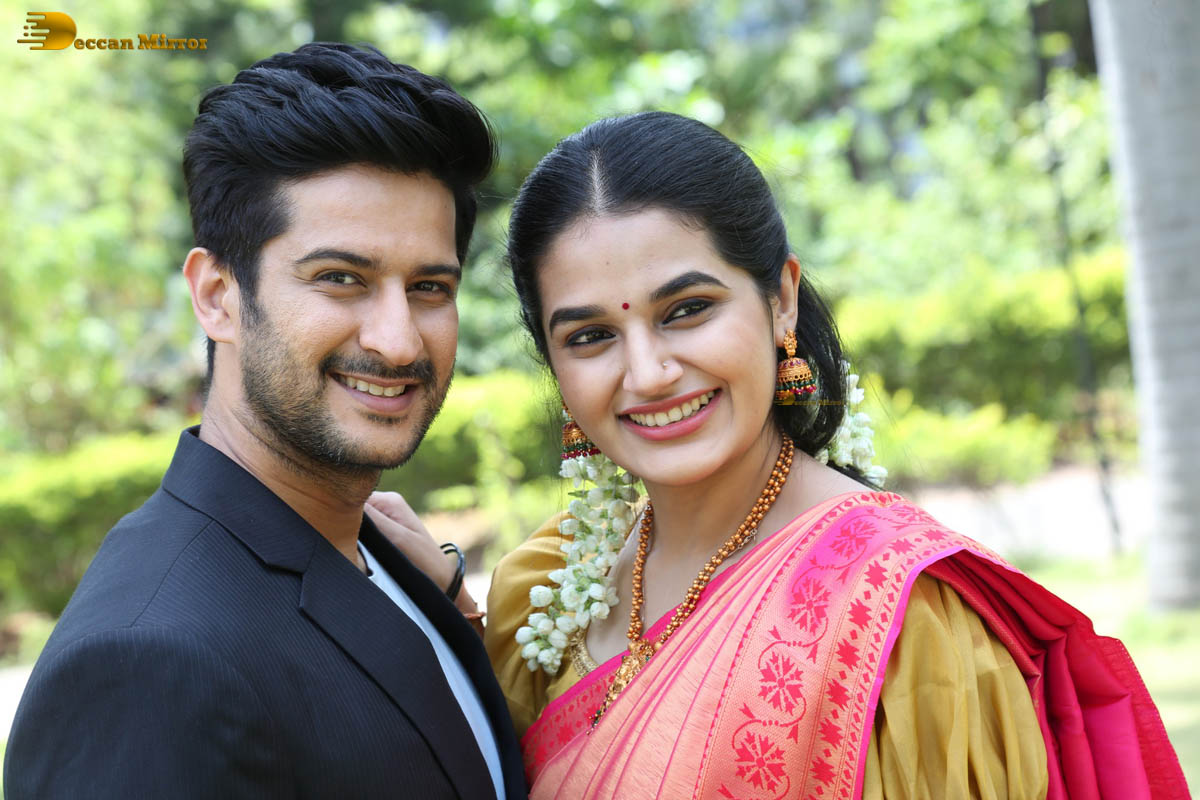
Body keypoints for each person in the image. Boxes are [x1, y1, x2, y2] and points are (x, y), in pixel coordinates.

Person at [370, 111, 1185, 799]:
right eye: (590, 336)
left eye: (687, 310)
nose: (647, 373)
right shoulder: (548, 589)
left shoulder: (903, 621)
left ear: (781, 299)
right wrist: (447, 615)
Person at [4, 42, 524, 799]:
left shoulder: (384, 555)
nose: (399, 340)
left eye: (429, 287)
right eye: (340, 278)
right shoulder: (145, 664)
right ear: (217, 295)